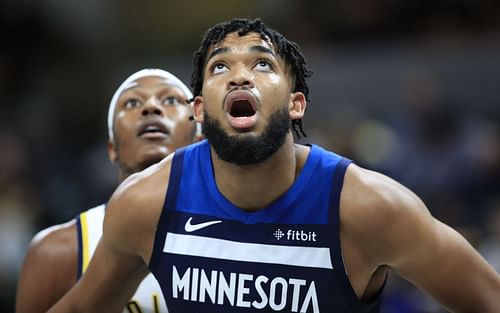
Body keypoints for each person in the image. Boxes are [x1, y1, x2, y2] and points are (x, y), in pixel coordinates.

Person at [47, 18, 500, 313]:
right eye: (220, 66)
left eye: (262, 64)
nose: (240, 74)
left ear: (297, 103)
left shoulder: (371, 207)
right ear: (200, 110)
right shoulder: (148, 203)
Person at [16, 68, 201, 313]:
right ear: (112, 148)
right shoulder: (57, 250)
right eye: (133, 102)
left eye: (170, 100)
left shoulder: (238, 236)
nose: (151, 108)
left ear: (199, 142)